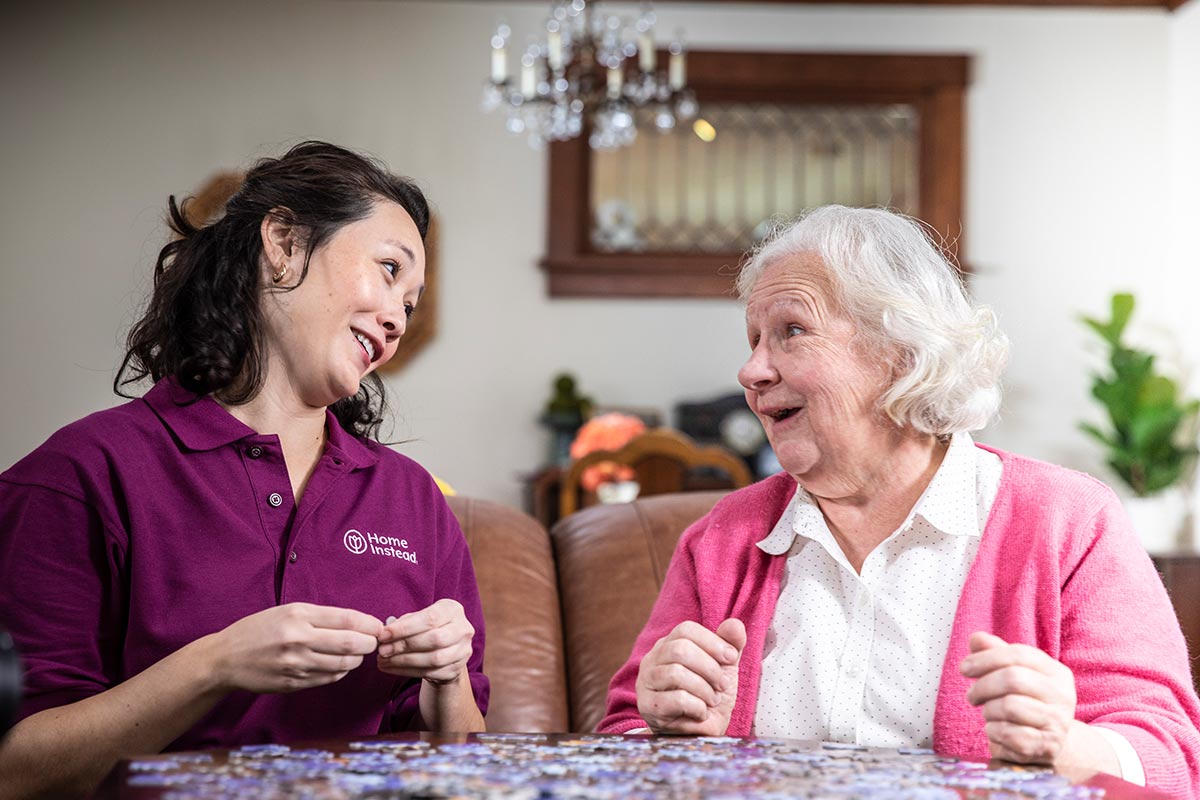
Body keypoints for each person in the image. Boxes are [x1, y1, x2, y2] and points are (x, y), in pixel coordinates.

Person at [598, 206, 1200, 798]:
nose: (750, 370)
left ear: (900, 353)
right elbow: (618, 738)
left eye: (791, 331)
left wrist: (1066, 747)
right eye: (753, 340)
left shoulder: (1068, 521)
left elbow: (1173, 759)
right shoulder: (723, 537)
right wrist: (668, 730)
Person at [0, 141, 487, 798]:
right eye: (388, 270)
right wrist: (217, 663)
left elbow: (468, 765)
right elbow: (18, 769)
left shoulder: (411, 499)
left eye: (413, 301)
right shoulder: (78, 476)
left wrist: (446, 677)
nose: (399, 317)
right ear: (283, 243)